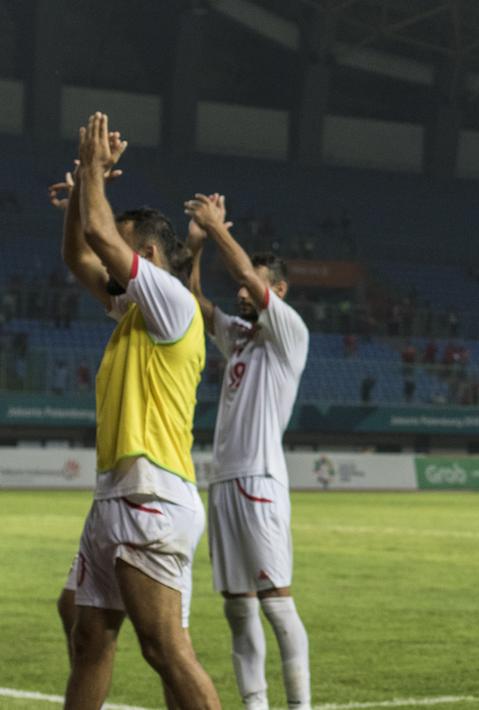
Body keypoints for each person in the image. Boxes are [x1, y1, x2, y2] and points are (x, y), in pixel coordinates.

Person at [60, 112, 220, 709]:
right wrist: (82, 190)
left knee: (165, 649)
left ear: (147, 254)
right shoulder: (134, 309)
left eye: (122, 251)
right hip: (119, 494)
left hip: (150, 495)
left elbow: (99, 239)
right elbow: (80, 254)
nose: (110, 264)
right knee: (90, 636)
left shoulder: (170, 300)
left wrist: (93, 173)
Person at [184, 193, 312, 710]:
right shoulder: (238, 336)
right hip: (223, 482)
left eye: (252, 284)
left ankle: (299, 706)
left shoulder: (289, 334)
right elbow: (192, 300)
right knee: (237, 610)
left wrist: (216, 228)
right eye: (239, 285)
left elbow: (243, 269)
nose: (240, 290)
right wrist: (194, 249)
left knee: (276, 606)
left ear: (276, 290)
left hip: (261, 480)